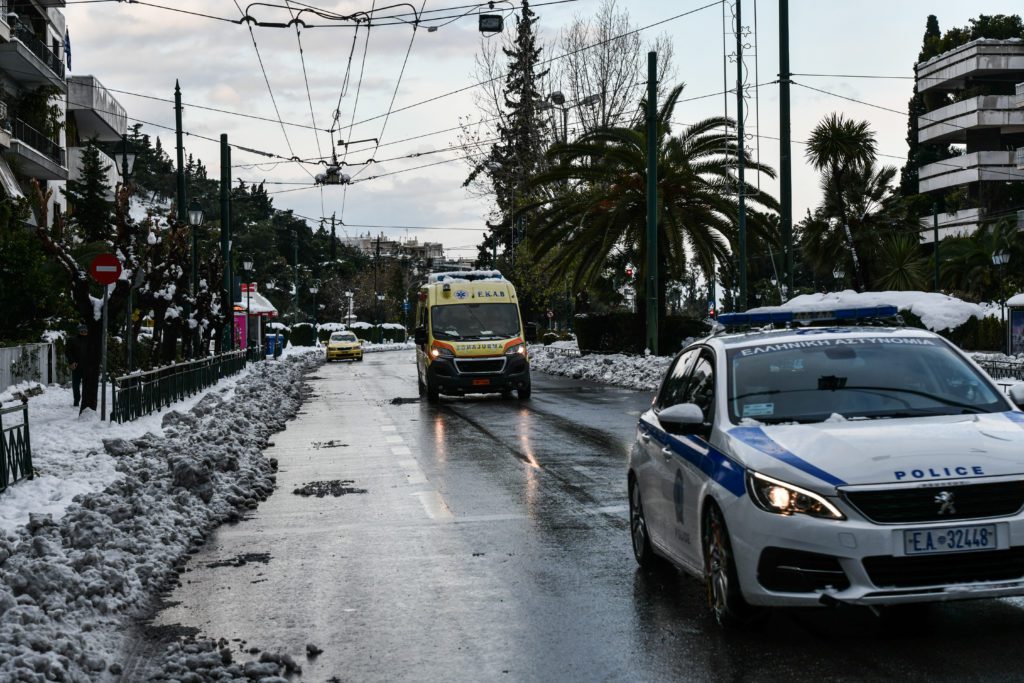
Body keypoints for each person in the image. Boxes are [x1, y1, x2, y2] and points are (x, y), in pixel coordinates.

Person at [66, 323, 89, 407]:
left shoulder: (90, 340)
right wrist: (72, 362)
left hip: (87, 366)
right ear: (79, 331)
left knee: (87, 385)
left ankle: (86, 400)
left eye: (85, 330)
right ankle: (76, 399)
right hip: (76, 366)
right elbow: (68, 351)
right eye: (82, 330)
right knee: (76, 385)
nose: (83, 332)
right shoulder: (73, 340)